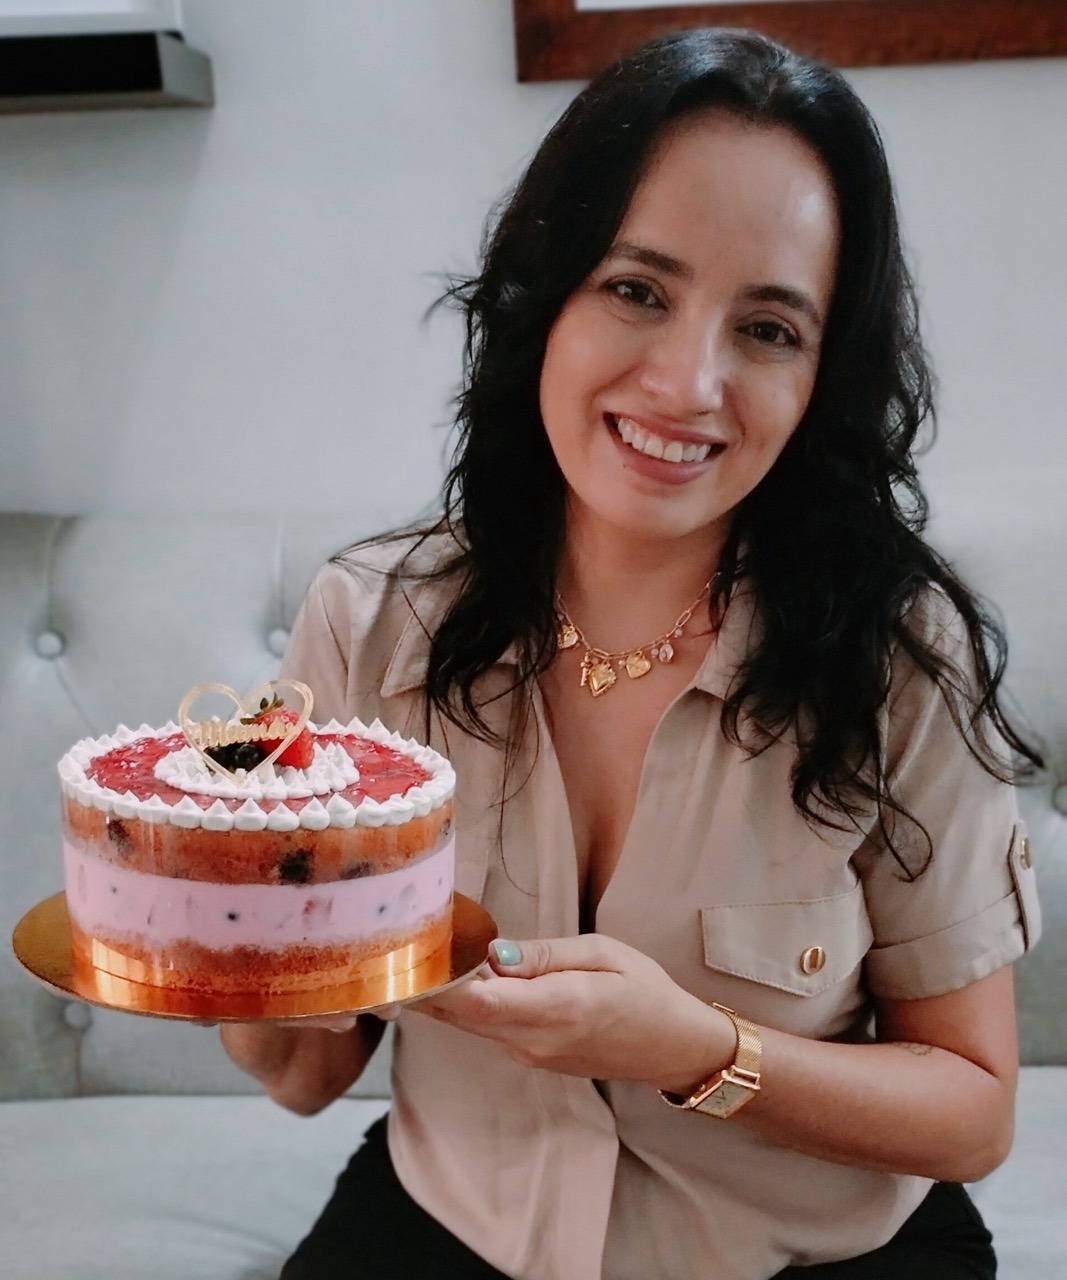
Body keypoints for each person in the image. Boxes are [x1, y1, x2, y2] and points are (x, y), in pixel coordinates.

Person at [220, 28, 1042, 1280]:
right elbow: (304, 1072)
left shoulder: (898, 656)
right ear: (542, 295)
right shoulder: (368, 622)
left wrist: (694, 1048)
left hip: (807, 1248)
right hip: (457, 1222)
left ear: (823, 374)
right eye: (636, 288)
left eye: (766, 327)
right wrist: (215, 922)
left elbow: (973, 1108)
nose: (686, 382)